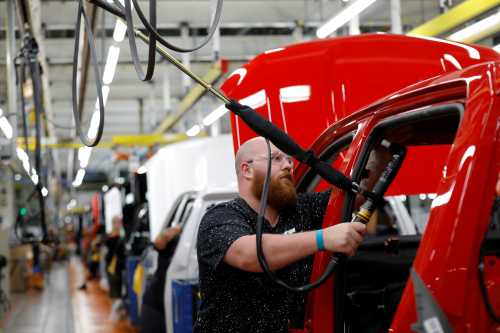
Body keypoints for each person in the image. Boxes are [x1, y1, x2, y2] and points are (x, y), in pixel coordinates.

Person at [195, 136, 367, 333]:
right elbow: (249, 254)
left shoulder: (299, 209)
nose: (287, 165)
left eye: (289, 160)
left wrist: (380, 154)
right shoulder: (219, 217)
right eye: (276, 158)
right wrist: (323, 238)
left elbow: (354, 195)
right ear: (247, 170)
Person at [140, 224, 182, 333]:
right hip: (156, 303)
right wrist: (172, 232)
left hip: (171, 304)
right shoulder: (174, 238)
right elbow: (158, 242)